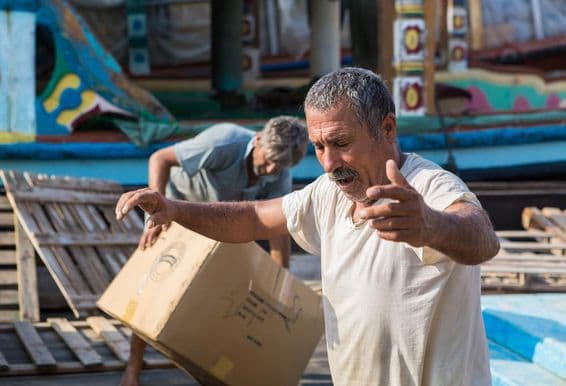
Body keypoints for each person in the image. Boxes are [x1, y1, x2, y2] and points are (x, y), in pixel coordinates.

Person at [116, 67, 500, 386]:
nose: (329, 162)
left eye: (340, 142)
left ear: (386, 129)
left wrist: (431, 226)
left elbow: (482, 239)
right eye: (319, 147)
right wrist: (174, 209)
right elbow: (252, 218)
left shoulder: (429, 186)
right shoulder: (327, 194)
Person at [119, 116, 308, 386]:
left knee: (227, 299)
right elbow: (159, 158)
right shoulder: (223, 142)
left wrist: (281, 283)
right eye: (266, 161)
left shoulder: (280, 172)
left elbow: (278, 229)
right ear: (256, 140)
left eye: (277, 168)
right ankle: (133, 370)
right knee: (154, 287)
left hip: (222, 223)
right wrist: (156, 211)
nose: (268, 170)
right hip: (177, 210)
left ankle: (213, 368)